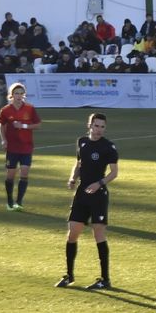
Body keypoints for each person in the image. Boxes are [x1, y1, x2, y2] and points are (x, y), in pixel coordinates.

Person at [56, 112, 119, 290]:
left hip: (98, 195)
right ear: (89, 125)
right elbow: (78, 164)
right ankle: (69, 276)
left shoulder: (109, 147)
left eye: (102, 127)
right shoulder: (82, 142)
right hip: (81, 194)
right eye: (96, 126)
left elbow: (114, 173)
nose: (99, 130)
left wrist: (99, 184)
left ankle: (105, 279)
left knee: (98, 233)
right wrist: (72, 178)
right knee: (72, 232)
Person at [0, 81, 42, 211]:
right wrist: (3, 140)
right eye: (16, 93)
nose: (19, 96)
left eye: (21, 93)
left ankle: (19, 201)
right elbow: (1, 125)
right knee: (10, 174)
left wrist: (24, 126)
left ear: (24, 95)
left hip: (26, 147)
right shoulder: (6, 110)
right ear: (11, 95)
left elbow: (38, 125)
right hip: (12, 147)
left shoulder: (29, 108)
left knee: (24, 172)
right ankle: (9, 200)